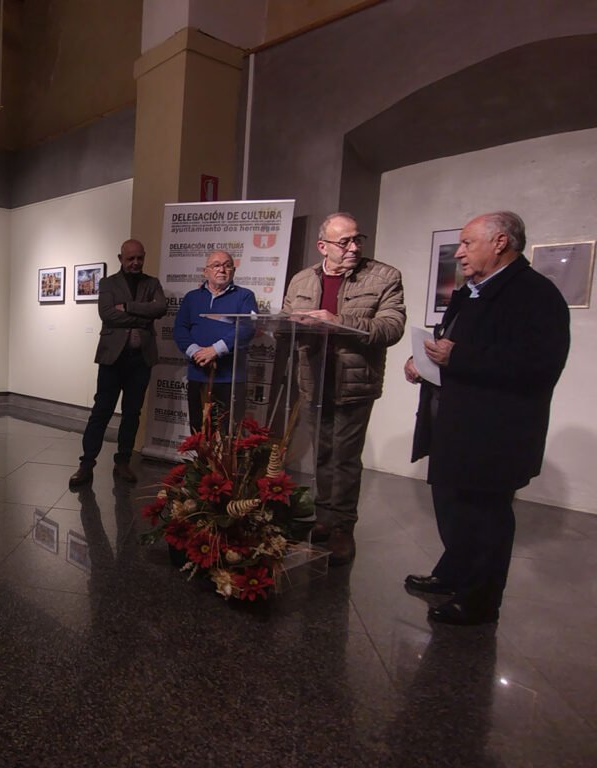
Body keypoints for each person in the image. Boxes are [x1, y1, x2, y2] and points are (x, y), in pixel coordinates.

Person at [404, 211, 569, 626]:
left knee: (484, 515)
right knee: (452, 505)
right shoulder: (472, 292)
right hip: (456, 425)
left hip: (495, 433)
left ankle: (479, 601)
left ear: (500, 243)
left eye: (467, 243)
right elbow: (452, 342)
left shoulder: (535, 294)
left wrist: (457, 357)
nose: (459, 253)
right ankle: (453, 574)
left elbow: (539, 366)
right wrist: (422, 360)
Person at [281, 213, 406, 566]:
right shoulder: (302, 279)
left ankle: (342, 528)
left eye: (357, 239)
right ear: (323, 247)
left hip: (353, 383)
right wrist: (286, 324)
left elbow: (391, 327)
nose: (354, 247)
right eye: (344, 241)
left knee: (345, 458)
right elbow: (286, 320)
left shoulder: (384, 277)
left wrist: (339, 322)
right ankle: (324, 519)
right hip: (313, 380)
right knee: (322, 454)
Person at [69, 239, 167, 487]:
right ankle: (86, 464)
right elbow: (107, 314)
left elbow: (160, 308)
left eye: (139, 258)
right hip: (112, 359)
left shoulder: (152, 283)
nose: (135, 262)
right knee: (101, 411)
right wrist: (142, 317)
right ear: (120, 258)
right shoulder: (107, 283)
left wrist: (128, 307)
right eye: (130, 258)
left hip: (141, 359)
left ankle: (122, 461)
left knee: (132, 413)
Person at [173, 250, 257, 434]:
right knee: (199, 432)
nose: (222, 270)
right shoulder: (192, 297)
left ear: (233, 271)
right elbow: (180, 329)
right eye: (216, 265)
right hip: (198, 374)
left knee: (230, 434)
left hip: (230, 378)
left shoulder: (245, 296)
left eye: (227, 265)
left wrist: (215, 350)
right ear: (206, 272)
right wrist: (196, 352)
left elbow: (247, 328)